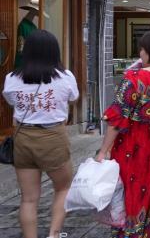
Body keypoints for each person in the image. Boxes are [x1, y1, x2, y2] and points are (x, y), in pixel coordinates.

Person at [96, 29, 150, 238]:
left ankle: (129, 233)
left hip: (133, 142)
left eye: (142, 50)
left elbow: (117, 119)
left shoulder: (134, 78)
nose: (140, 54)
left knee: (131, 193)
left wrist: (103, 151)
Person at [3, 30, 79, 238]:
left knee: (28, 199)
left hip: (23, 138)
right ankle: (54, 235)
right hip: (53, 137)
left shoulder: (11, 78)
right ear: (54, 52)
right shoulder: (65, 77)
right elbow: (73, 97)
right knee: (63, 188)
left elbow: (11, 101)